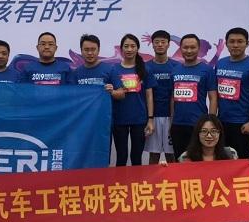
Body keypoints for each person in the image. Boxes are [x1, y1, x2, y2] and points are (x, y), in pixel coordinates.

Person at [176, 114, 249, 222]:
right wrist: (164, 170)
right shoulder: (186, 158)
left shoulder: (230, 154)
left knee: (243, 210)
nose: (209, 136)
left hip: (226, 203)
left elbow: (238, 182)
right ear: (197, 134)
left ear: (220, 133)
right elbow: (177, 185)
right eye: (204, 131)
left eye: (214, 131)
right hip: (203, 206)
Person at [216, 27, 249, 159]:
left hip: (243, 123)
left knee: (242, 162)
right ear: (226, 43)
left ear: (247, 43)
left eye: (240, 41)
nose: (235, 45)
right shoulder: (220, 63)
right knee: (221, 161)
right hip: (221, 122)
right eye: (232, 41)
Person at [170, 34, 217, 160]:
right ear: (181, 48)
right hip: (178, 124)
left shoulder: (207, 70)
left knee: (199, 161)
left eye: (192, 47)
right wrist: (171, 122)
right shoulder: (175, 70)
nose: (189, 51)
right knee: (180, 160)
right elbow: (172, 98)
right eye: (185, 47)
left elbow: (213, 98)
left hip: (199, 124)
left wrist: (211, 122)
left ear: (198, 48)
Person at [111, 33, 156, 166]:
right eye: (126, 46)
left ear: (137, 48)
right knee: (121, 156)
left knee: (136, 157)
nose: (129, 49)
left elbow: (149, 95)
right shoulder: (114, 69)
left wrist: (150, 119)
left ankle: (137, 180)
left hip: (139, 119)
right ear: (121, 49)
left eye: (132, 46)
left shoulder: (145, 69)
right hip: (119, 118)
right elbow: (110, 92)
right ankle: (120, 180)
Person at [144, 30, 180, 164]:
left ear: (168, 44)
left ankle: (174, 178)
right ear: (152, 45)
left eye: (163, 42)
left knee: (172, 156)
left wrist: (173, 118)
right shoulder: (146, 67)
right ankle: (151, 178)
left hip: (171, 116)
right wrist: (149, 118)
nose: (160, 45)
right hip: (153, 117)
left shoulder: (176, 66)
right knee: (154, 155)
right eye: (157, 42)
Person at [72, 34, 124, 99]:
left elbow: (122, 94)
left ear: (98, 50)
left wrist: (112, 92)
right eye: (86, 50)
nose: (90, 53)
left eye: (93, 49)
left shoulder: (110, 69)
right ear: (81, 51)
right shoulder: (76, 73)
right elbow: (71, 96)